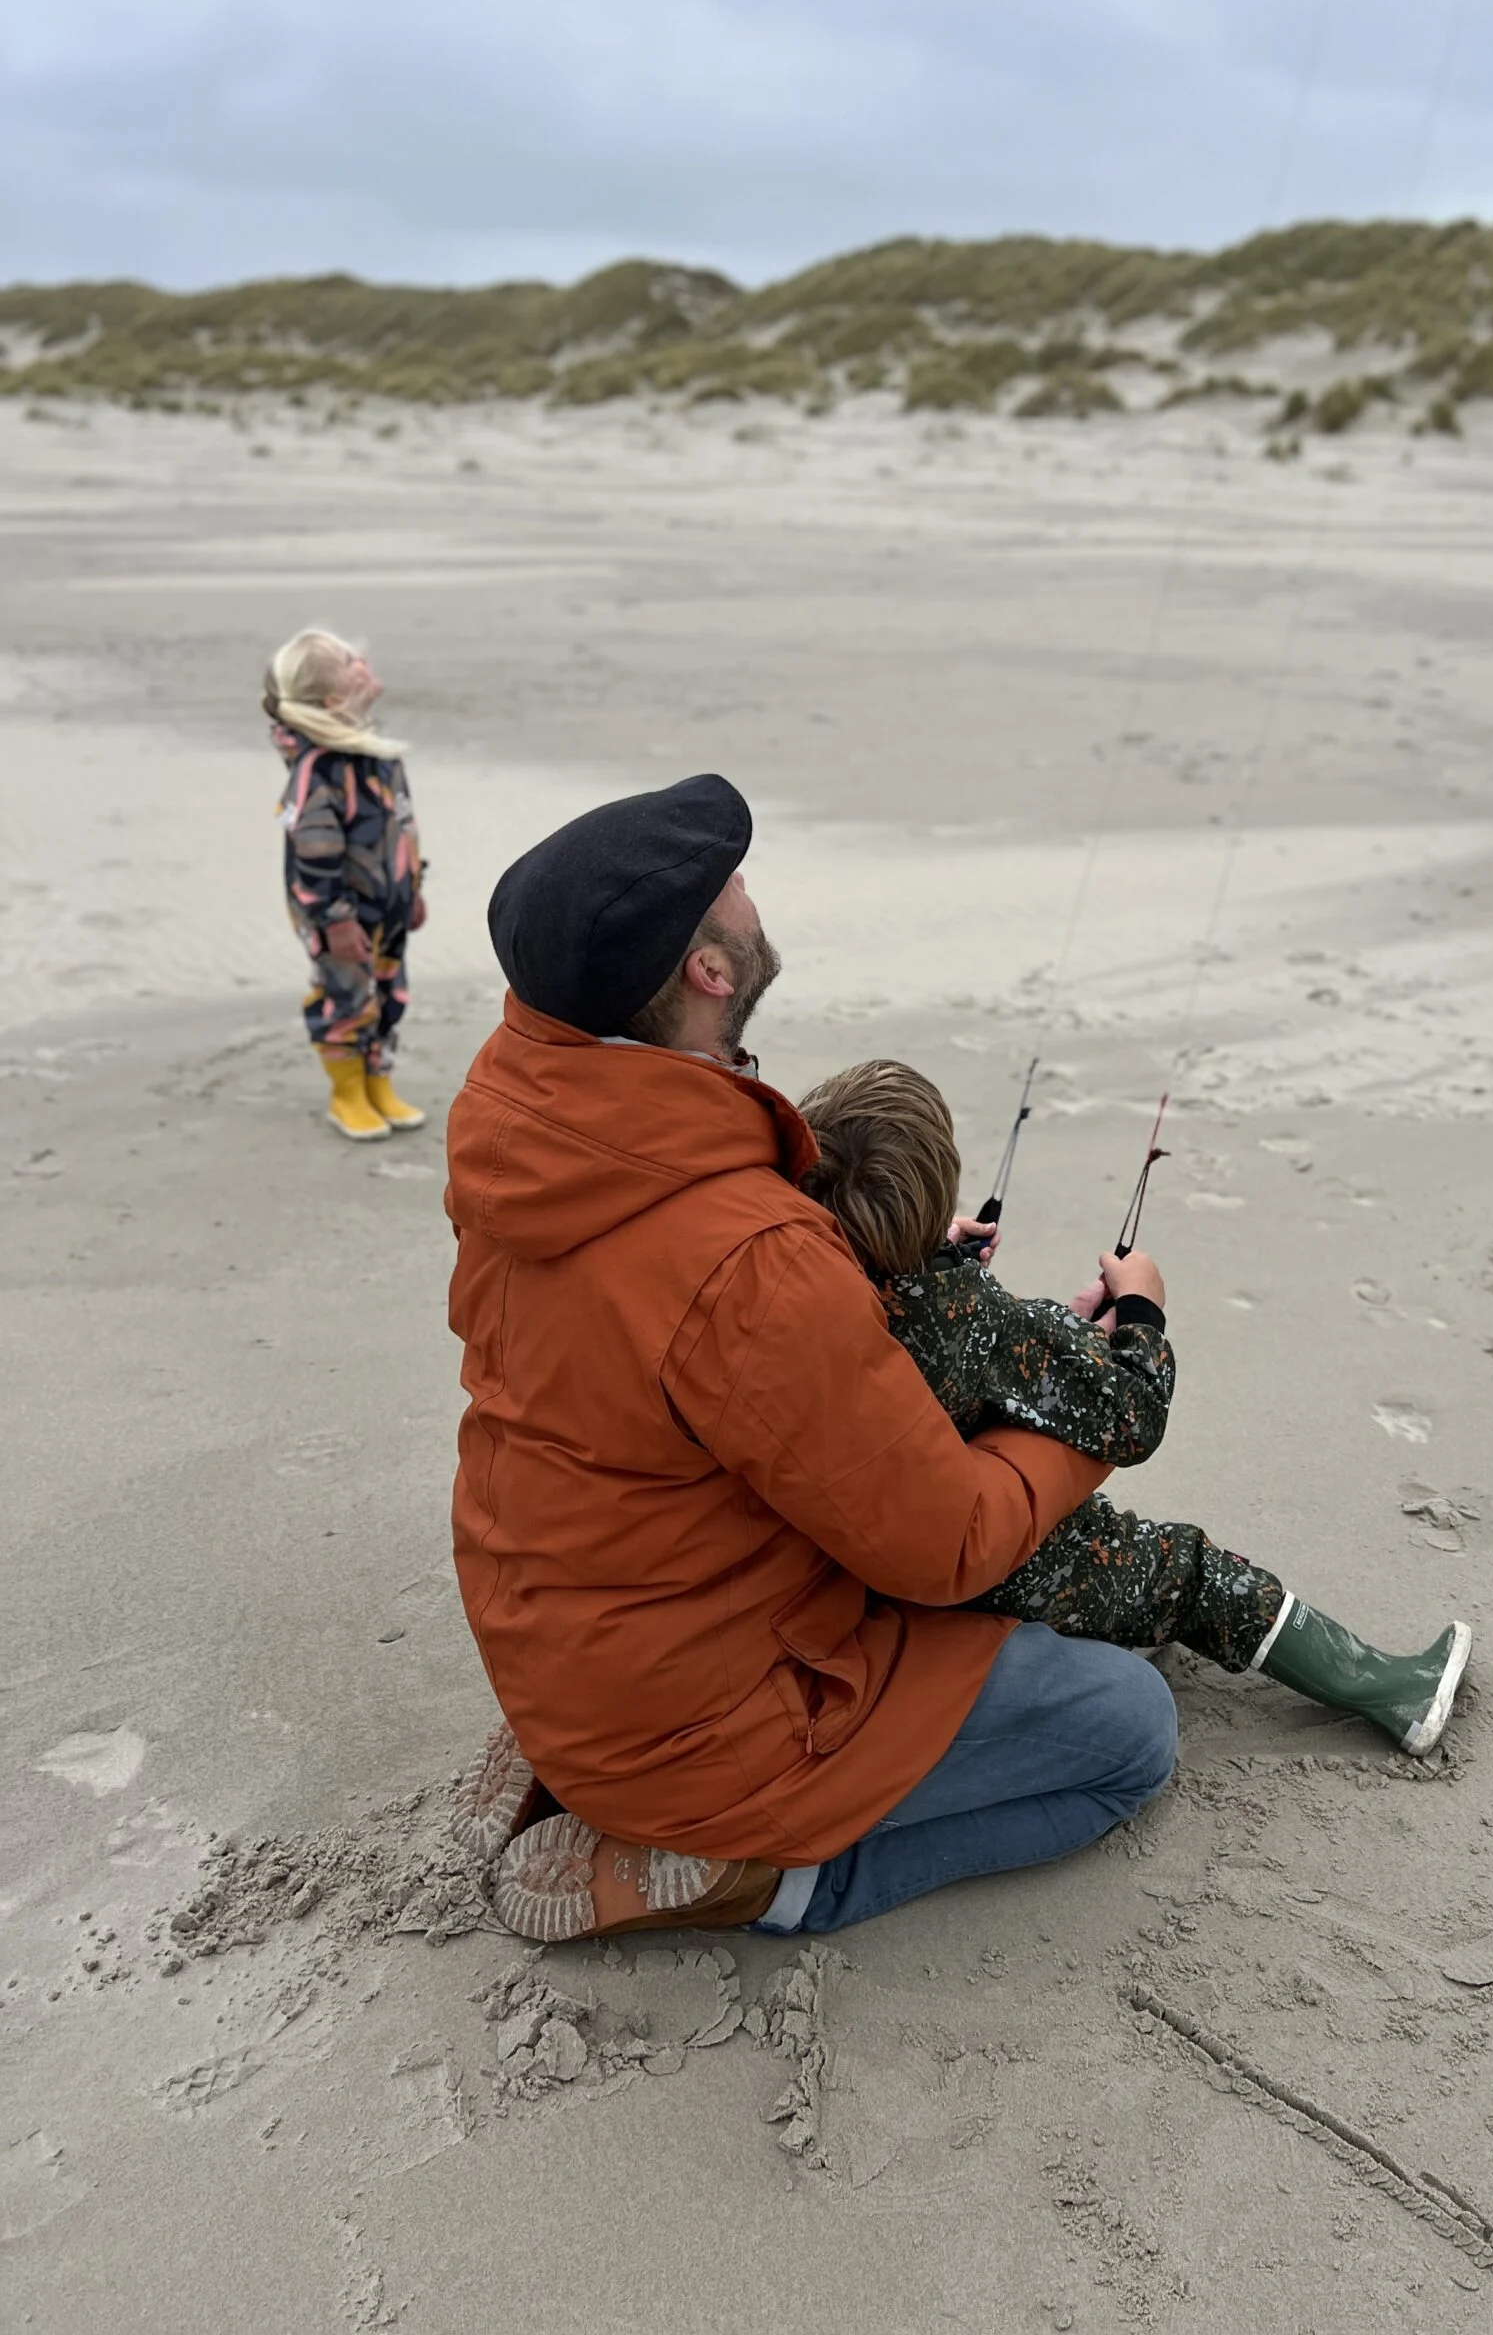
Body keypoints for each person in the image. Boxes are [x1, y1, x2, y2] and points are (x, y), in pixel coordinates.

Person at [447, 775, 1177, 1946]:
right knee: (1131, 1731)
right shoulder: (750, 1256)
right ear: (709, 969)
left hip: (561, 1639)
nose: (749, 892)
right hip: (709, 1723)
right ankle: (757, 1878)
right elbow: (948, 1543)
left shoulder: (538, 1136)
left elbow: (675, 1339)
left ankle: (585, 1765)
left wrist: (865, 1266)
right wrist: (1074, 1405)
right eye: (731, 883)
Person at [795, 1059, 1470, 1754]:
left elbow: (970, 1359)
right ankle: (1395, 1692)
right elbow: (1130, 1414)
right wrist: (1143, 1312)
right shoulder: (967, 1314)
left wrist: (935, 1261)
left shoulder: (811, 1294)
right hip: (975, 1567)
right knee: (1189, 1572)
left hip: (876, 1539)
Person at [263, 627, 428, 1142]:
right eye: (350, 661)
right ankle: (347, 1093)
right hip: (338, 913)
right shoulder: (319, 770)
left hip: (389, 901)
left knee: (390, 992)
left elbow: (404, 825)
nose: (363, 661)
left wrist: (415, 884)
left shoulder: (380, 756)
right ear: (333, 699)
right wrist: (334, 921)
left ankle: (379, 1082)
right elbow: (313, 852)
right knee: (346, 997)